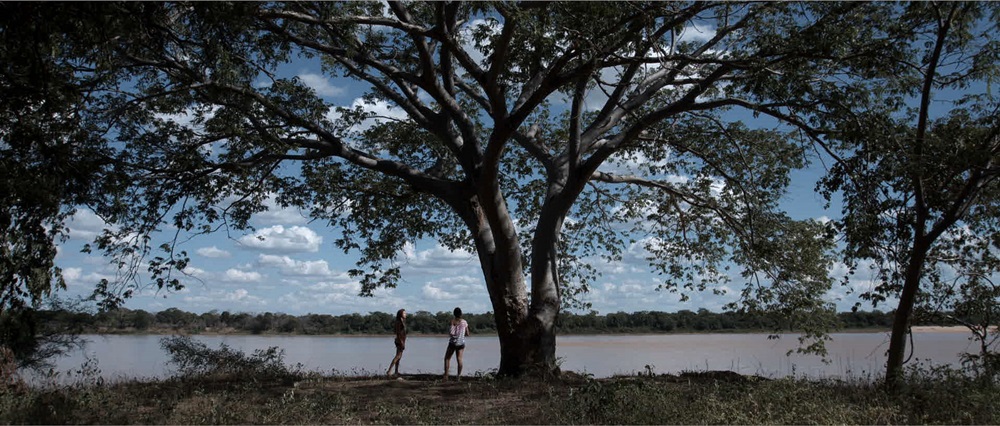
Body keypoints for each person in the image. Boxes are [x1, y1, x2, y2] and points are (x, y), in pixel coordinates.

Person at [443, 307, 470, 381]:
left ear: (454, 314)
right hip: (461, 343)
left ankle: (446, 375)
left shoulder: (453, 321)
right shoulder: (464, 322)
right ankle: (458, 376)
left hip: (453, 343)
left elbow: (451, 333)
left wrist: (453, 326)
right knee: (459, 359)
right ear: (461, 314)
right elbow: (467, 334)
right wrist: (461, 334)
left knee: (447, 358)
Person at [386, 308, 407, 377]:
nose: (405, 314)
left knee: (399, 357)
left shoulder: (402, 321)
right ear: (401, 314)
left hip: (401, 340)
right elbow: (398, 333)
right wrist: (401, 342)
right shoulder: (399, 322)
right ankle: (389, 371)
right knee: (398, 356)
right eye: (404, 313)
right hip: (399, 341)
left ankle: (396, 371)